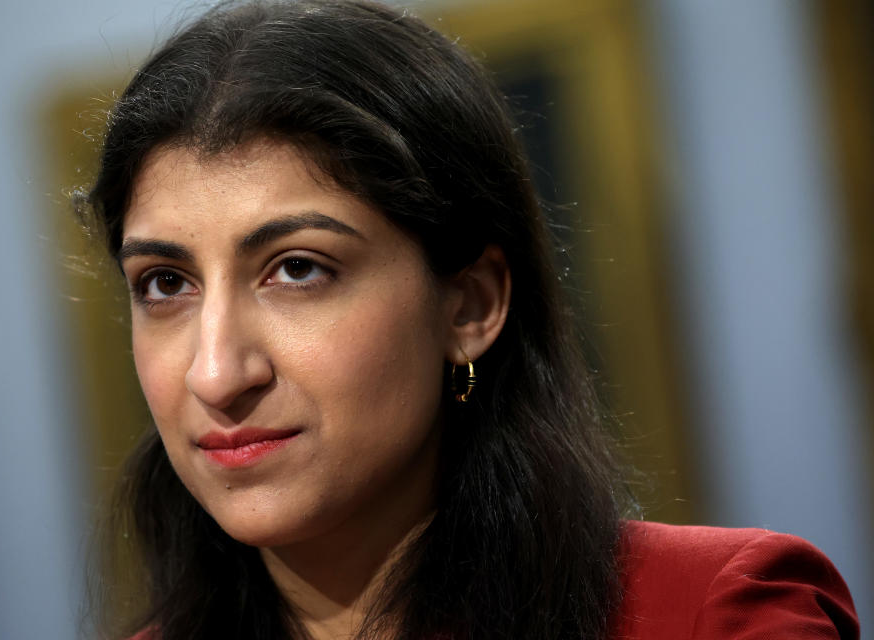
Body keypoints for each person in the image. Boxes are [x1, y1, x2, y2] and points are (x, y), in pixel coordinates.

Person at [79, 1, 860, 638]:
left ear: (471, 305)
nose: (216, 372)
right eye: (165, 284)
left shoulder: (715, 613)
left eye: (298, 270)